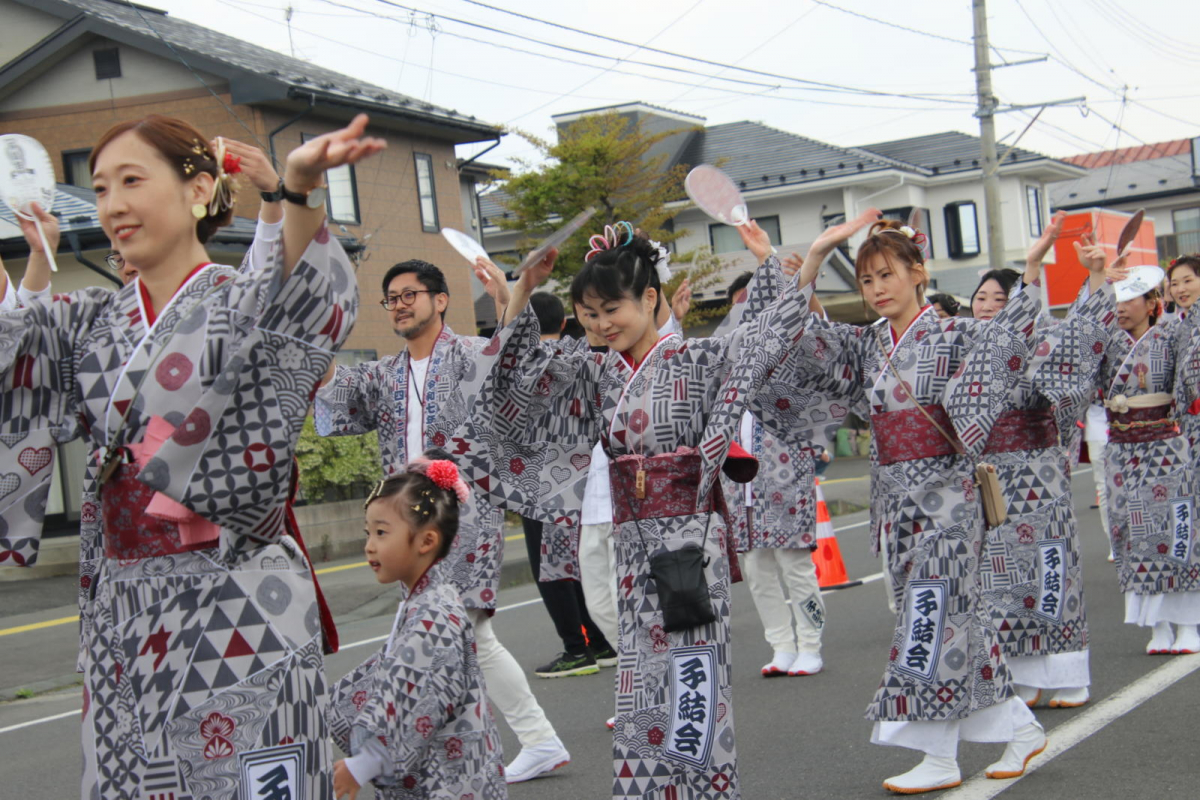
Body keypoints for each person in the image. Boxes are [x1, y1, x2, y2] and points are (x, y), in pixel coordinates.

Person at [0, 113, 381, 799]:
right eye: (100, 186)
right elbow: (14, 355)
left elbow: (300, 300)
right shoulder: (91, 319)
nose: (112, 204)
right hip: (123, 604)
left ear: (200, 189)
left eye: (131, 180)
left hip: (235, 595)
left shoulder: (238, 300)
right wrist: (32, 260)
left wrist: (293, 189)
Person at [753, 211, 1062, 793]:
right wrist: (816, 256)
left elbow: (1017, 341)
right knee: (953, 621)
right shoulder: (865, 344)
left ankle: (939, 757)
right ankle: (1021, 730)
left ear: (919, 273)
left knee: (931, 617)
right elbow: (793, 338)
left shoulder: (957, 333)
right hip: (894, 501)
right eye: (867, 281)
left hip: (949, 501)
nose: (876, 289)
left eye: (887, 275)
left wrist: (1033, 268)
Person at [314, 258, 571, 783]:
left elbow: (524, 371)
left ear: (441, 300)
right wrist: (309, 334)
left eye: (411, 294)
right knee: (467, 639)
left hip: (465, 516)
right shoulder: (383, 375)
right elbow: (333, 395)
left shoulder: (474, 355)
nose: (401, 304)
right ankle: (523, 742)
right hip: (406, 523)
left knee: (452, 632)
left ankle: (386, 754)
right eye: (392, 297)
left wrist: (511, 298)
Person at [968, 212, 1116, 713]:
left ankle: (1071, 674)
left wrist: (1091, 275)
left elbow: (1087, 335)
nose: (988, 306)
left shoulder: (1048, 339)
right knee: (1003, 579)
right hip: (991, 479)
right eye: (981, 298)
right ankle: (1025, 676)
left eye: (1000, 299)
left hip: (1038, 470)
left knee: (1051, 573)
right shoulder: (964, 347)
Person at [329, 454, 506, 800]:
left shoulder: (433, 613)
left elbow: (416, 693)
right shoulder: (426, 599)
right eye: (368, 532)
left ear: (426, 541)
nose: (369, 545)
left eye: (381, 532)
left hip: (447, 782)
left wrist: (362, 765)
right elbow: (396, 671)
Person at [717, 236, 838, 679]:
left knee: (795, 565)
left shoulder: (789, 355)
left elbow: (825, 344)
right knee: (757, 569)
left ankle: (811, 644)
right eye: (738, 309)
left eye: (752, 307)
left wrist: (794, 281)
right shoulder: (725, 360)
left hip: (785, 476)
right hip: (740, 484)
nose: (743, 317)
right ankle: (781, 646)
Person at [1081, 241, 1200, 656]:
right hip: (1121, 449)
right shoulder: (1109, 340)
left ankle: (1188, 623)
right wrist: (1098, 276)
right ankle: (1159, 624)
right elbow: (1083, 335)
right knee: (1134, 537)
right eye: (1118, 298)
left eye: (1132, 298)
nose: (1121, 306)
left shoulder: (1175, 334)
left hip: (1166, 446)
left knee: (1173, 534)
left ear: (1153, 303)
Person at [521, 291, 619, 678]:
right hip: (586, 478)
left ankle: (576, 648)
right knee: (580, 565)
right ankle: (599, 641)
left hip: (539, 479)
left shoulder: (523, 364)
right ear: (565, 323)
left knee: (551, 568)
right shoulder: (585, 357)